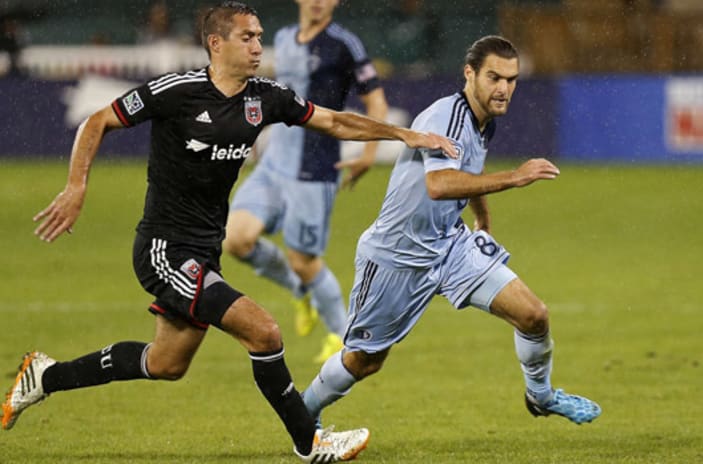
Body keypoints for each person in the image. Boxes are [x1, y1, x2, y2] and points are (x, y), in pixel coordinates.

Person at [1, 2, 455, 462]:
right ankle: (311, 442)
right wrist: (76, 186)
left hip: (203, 250)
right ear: (216, 44)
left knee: (166, 363)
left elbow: (333, 120)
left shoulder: (266, 97)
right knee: (264, 332)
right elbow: (97, 120)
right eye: (247, 38)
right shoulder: (177, 91)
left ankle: (44, 377)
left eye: (260, 36)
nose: (259, 46)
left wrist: (404, 135)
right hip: (165, 250)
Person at [301, 36, 602, 433]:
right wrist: (515, 177)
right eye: (494, 77)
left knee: (533, 315)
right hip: (397, 255)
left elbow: (468, 174)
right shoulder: (446, 116)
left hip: (450, 245)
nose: (504, 88)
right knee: (365, 360)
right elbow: (439, 185)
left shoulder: (483, 121)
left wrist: (483, 217)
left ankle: (541, 396)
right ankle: (301, 416)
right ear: (469, 73)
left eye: (511, 80)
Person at [223, 0, 389, 364]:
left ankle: (343, 340)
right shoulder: (282, 38)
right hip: (273, 163)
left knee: (304, 259)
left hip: (314, 167)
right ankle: (299, 290)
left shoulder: (344, 44)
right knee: (235, 239)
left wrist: (369, 154)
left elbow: (376, 102)